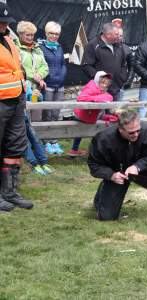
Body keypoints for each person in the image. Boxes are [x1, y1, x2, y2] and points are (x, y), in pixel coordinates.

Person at [87, 110, 147, 227]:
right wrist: (111, 175)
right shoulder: (103, 139)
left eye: (138, 130)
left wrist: (137, 166)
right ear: (120, 129)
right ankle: (102, 193)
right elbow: (93, 164)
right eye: (131, 132)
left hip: (141, 168)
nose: (136, 134)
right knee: (107, 217)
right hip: (118, 174)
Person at [0, 1, 34, 212]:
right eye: (1, 22)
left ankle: (9, 191)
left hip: (16, 101)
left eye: (5, 22)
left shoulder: (9, 41)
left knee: (14, 147)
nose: (4, 25)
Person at [67, 71, 113, 157]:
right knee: (81, 130)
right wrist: (98, 98)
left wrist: (100, 98)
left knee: (110, 121)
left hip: (92, 116)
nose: (104, 85)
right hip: (81, 115)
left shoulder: (101, 90)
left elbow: (110, 97)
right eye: (102, 82)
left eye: (106, 83)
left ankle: (78, 150)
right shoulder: (91, 87)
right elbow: (80, 98)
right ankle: (75, 150)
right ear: (97, 80)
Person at [39, 21, 66, 154]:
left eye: (57, 34)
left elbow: (63, 64)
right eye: (51, 33)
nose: (54, 36)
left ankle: (54, 141)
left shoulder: (59, 47)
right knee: (47, 114)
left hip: (59, 86)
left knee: (56, 114)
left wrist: (62, 75)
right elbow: (40, 66)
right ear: (46, 33)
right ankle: (46, 141)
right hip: (48, 86)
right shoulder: (40, 47)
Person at [81, 22, 128, 100]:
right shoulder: (92, 45)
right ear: (108, 35)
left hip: (117, 88)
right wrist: (101, 79)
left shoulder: (119, 45)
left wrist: (122, 78)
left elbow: (123, 64)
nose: (119, 36)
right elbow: (86, 66)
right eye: (116, 34)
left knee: (116, 112)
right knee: (102, 112)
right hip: (100, 91)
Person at [16, 20, 49, 124]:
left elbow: (45, 66)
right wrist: (33, 76)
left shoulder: (37, 49)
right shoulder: (16, 49)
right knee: (23, 118)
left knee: (34, 116)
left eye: (32, 35)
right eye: (27, 35)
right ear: (20, 34)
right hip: (23, 90)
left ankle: (36, 138)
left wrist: (40, 75)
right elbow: (17, 68)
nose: (30, 38)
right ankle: (25, 139)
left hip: (36, 90)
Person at [111, 18, 135, 101]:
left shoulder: (126, 49)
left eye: (121, 35)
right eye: (117, 35)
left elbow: (132, 66)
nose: (119, 37)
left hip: (119, 86)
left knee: (117, 110)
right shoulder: (105, 47)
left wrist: (129, 80)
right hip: (105, 85)